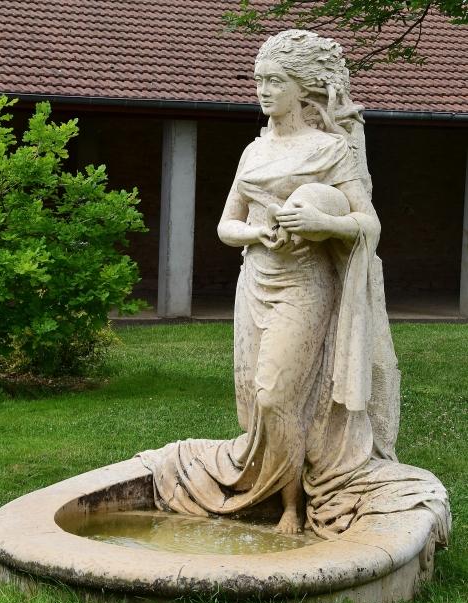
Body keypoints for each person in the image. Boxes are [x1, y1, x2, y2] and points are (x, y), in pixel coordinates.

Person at [138, 30, 450, 543]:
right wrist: (255, 232)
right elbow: (225, 225)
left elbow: (368, 224)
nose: (262, 89)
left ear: (301, 89)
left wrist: (324, 224)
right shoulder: (254, 151)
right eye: (259, 78)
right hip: (255, 280)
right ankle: (288, 502)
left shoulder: (332, 148)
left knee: (276, 395)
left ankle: (303, 494)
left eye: (274, 80)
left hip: (307, 285)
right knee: (258, 400)